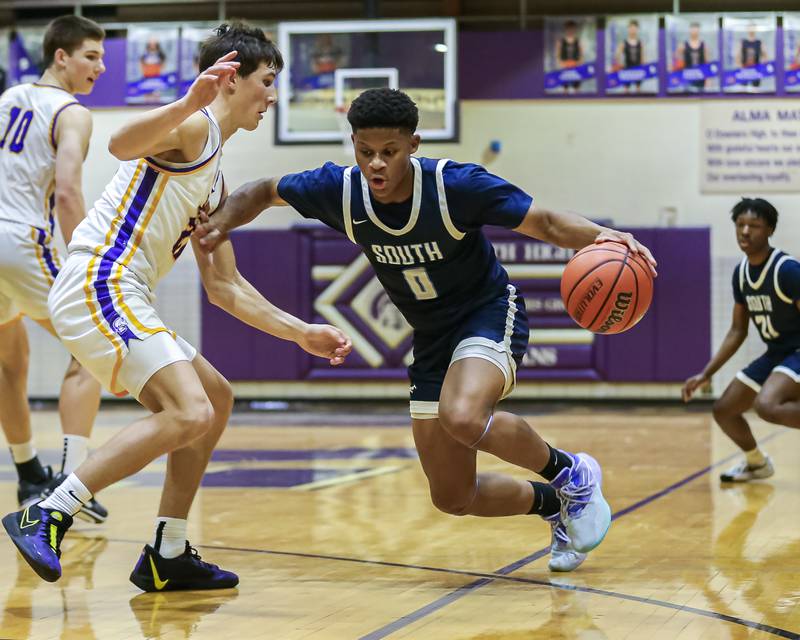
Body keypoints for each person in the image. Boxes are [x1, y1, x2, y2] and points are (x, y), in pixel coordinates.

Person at [195, 88, 658, 572]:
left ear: (413, 144)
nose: (376, 164)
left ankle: (572, 474)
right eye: (365, 151)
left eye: (389, 153)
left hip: (487, 312)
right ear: (353, 144)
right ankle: (554, 506)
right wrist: (221, 224)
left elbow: (543, 221)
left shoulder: (455, 186)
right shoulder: (341, 190)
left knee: (462, 416)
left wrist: (603, 236)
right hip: (432, 338)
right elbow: (264, 190)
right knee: (454, 496)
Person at [2, 22, 352, 590]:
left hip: (125, 290)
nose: (273, 96)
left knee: (214, 397)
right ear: (232, 78)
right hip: (100, 278)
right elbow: (119, 145)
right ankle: (48, 509)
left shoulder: (214, 182)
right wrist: (188, 99)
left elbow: (226, 287)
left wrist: (298, 332)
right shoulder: (194, 125)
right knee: (188, 411)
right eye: (267, 81)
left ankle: (168, 549)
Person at [0, 15, 108, 521]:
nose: (100, 67)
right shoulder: (71, 113)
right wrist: (90, 261)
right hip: (23, 239)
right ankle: (71, 482)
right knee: (93, 348)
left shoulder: (6, 100)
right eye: (91, 56)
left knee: (9, 363)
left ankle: (28, 476)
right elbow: (66, 192)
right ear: (60, 57)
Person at [683, 199, 800, 482]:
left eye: (754, 226)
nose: (745, 232)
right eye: (740, 225)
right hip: (776, 353)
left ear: (770, 230)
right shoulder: (742, 275)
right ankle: (757, 464)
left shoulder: (787, 270)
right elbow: (738, 331)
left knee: (767, 405)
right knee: (724, 410)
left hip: (797, 350)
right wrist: (706, 374)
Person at [675, 22, 707, 92]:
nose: (694, 31)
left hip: (700, 77)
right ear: (689, 30)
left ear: (699, 31)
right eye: (693, 29)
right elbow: (676, 63)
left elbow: (707, 63)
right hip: (687, 77)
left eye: (696, 29)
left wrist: (708, 79)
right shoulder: (682, 45)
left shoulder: (703, 45)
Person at [615, 20, 645, 92]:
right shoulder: (624, 43)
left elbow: (642, 58)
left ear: (637, 29)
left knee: (638, 89)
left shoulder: (640, 43)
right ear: (628, 29)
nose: (633, 30)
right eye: (631, 28)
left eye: (634, 28)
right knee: (626, 90)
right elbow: (617, 55)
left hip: (638, 69)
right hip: (627, 69)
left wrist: (643, 67)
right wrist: (620, 65)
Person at [555, 20, 583, 93]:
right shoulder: (561, 41)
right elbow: (557, 54)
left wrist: (580, 62)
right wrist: (560, 63)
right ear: (565, 30)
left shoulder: (578, 41)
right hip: (565, 66)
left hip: (575, 66)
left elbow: (581, 53)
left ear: (575, 30)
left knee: (577, 88)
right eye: (568, 29)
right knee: (565, 89)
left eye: (572, 29)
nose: (570, 31)